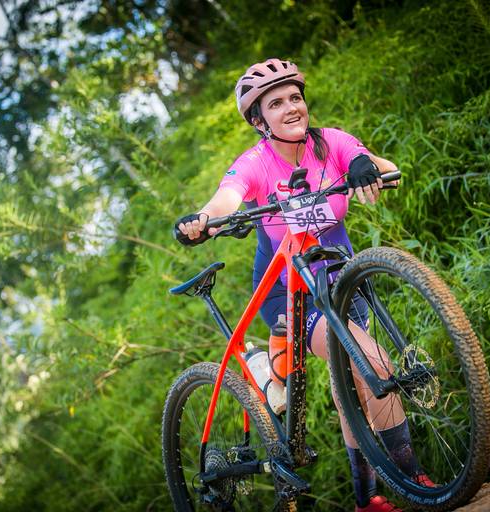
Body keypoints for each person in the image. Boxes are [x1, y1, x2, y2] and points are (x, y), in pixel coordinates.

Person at [174, 58, 432, 512]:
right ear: (259, 121)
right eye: (276, 103)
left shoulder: (329, 142)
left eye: (295, 97)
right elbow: (226, 199)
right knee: (373, 360)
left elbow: (378, 163)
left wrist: (364, 165)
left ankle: (367, 499)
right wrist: (203, 220)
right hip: (290, 294)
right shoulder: (255, 163)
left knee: (355, 380)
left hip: (341, 279)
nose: (291, 107)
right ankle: (418, 482)